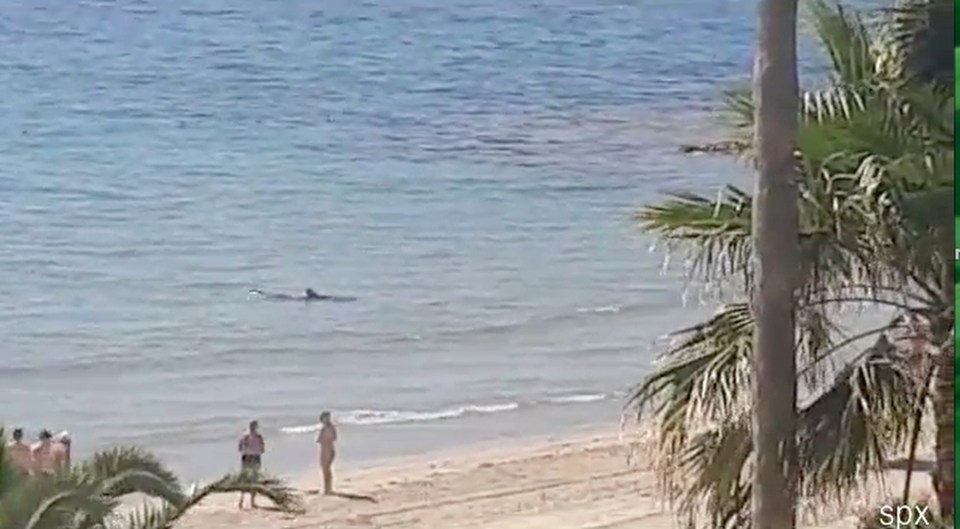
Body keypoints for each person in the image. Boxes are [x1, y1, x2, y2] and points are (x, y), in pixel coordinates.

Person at [237, 420, 265, 509]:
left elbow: (240, 448)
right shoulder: (250, 437)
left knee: (251, 480)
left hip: (251, 457)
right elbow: (262, 449)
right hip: (251, 457)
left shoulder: (249, 437)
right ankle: (244, 501)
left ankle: (248, 501)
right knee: (249, 480)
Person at [316, 411, 337, 495]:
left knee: (326, 470)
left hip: (328, 451)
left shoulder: (330, 428)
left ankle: (328, 489)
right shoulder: (324, 428)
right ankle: (327, 488)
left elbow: (332, 438)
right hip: (324, 451)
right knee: (325, 470)